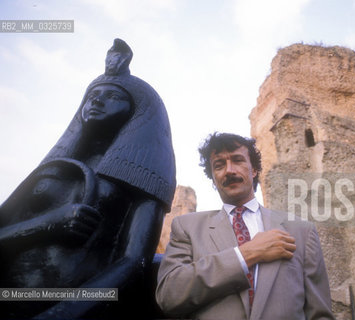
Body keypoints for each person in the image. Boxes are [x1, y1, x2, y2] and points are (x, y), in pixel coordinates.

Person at [0, 39, 176, 319]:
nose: (97, 100)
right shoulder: (53, 169)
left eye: (113, 96)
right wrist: (47, 224)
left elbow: (133, 262)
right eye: (93, 95)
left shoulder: (139, 177)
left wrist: (61, 314)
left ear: (136, 112)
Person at [156, 132, 334, 319]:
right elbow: (169, 295)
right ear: (213, 179)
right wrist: (246, 254)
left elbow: (320, 313)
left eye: (238, 160)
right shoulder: (187, 228)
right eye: (219, 165)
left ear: (254, 169)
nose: (229, 170)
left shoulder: (301, 231)